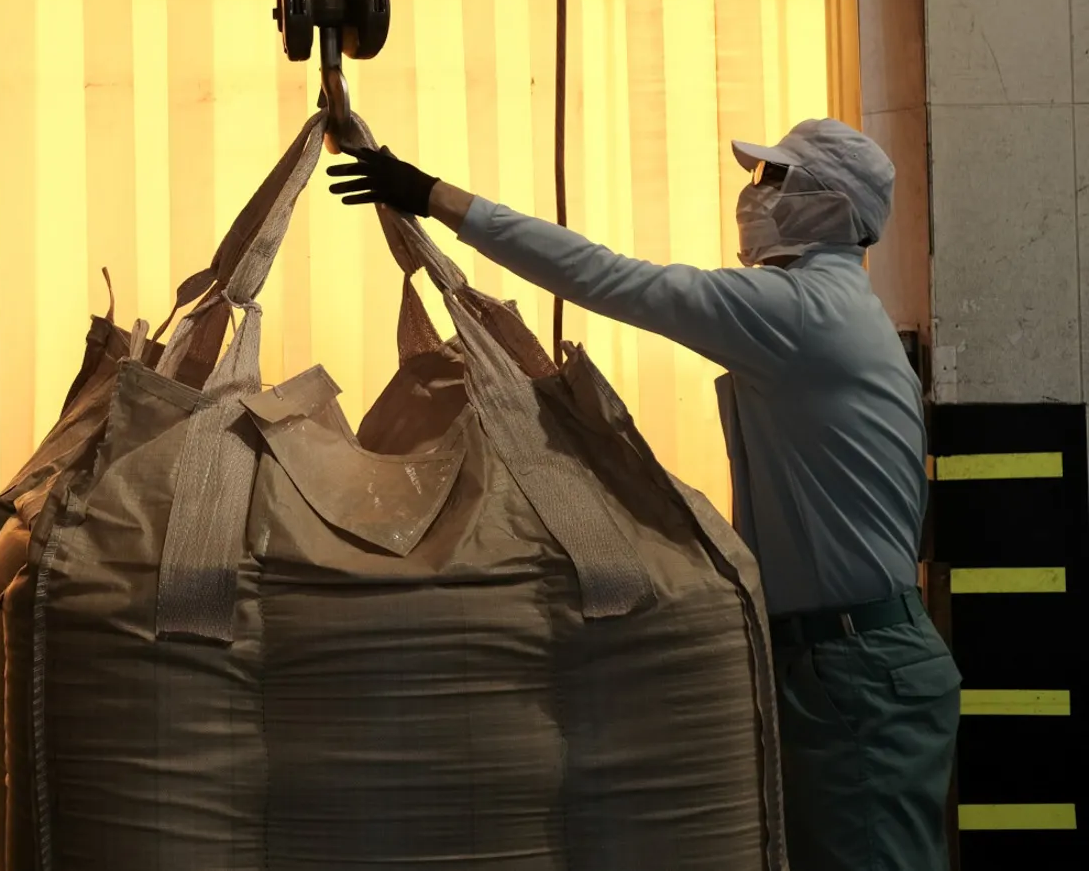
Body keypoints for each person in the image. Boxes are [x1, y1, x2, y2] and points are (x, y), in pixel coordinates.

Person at [330, 119, 958, 871]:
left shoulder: (799, 313)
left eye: (773, 180)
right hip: (835, 660)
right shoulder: (828, 312)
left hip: (852, 670)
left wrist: (431, 197)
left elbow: (608, 277)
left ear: (826, 202)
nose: (752, 194)